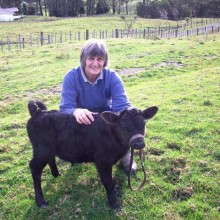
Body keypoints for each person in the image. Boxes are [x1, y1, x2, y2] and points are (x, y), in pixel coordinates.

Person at [59, 39, 137, 174]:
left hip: (104, 119)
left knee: (119, 123)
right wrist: (76, 111)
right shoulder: (70, 77)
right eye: (91, 58)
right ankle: (77, 153)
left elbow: (122, 107)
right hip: (81, 120)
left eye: (100, 59)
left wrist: (133, 123)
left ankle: (125, 156)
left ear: (104, 61)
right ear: (84, 59)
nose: (95, 63)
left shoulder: (112, 77)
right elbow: (64, 108)